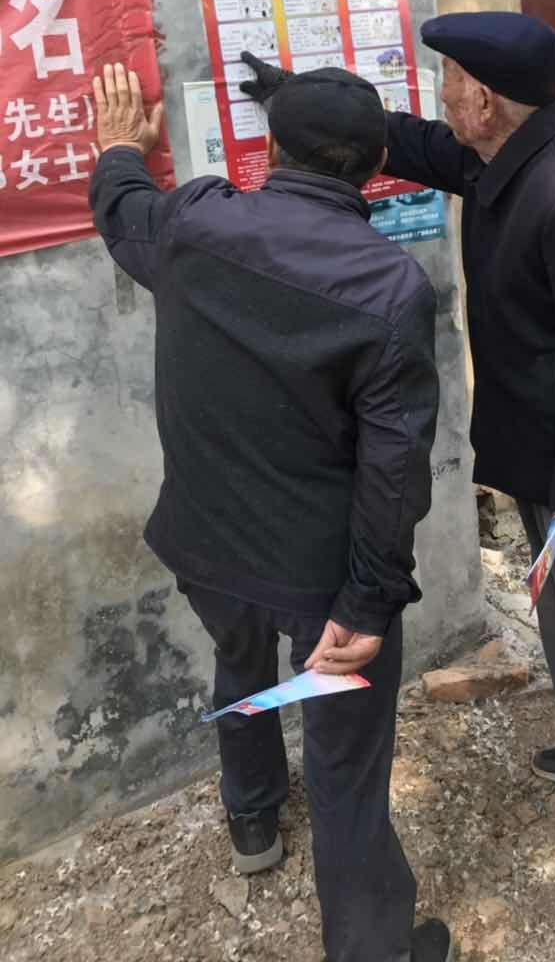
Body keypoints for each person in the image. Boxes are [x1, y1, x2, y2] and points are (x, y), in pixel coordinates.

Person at [242, 13, 555, 886]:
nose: (443, 93)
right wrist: (294, 100)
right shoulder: (502, 156)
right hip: (544, 455)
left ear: (485, 100)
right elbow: (413, 144)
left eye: (452, 79)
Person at [89, 62, 450, 962]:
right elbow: (393, 470)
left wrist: (118, 149)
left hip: (206, 544)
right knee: (345, 763)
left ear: (269, 149)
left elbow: (123, 214)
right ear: (376, 166)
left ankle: (252, 819)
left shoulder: (197, 223)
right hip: (321, 579)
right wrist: (370, 601)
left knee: (239, 668)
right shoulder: (389, 288)